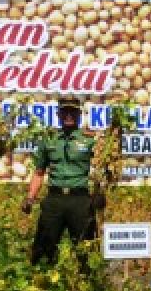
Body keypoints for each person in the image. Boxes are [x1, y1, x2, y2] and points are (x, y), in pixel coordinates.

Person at [22, 95, 96, 265]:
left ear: (79, 114)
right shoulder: (49, 139)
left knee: (85, 248)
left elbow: (104, 168)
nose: (68, 115)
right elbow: (39, 172)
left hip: (80, 200)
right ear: (58, 114)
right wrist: (30, 198)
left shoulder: (90, 139)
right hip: (54, 198)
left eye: (72, 112)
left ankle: (86, 284)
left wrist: (100, 193)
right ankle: (43, 282)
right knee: (44, 247)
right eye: (64, 112)